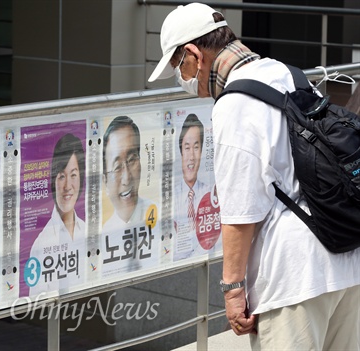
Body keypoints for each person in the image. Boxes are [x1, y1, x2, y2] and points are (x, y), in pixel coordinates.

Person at [149, 3, 360, 350]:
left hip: (294, 277)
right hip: (345, 256)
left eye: (178, 65)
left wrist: (232, 291)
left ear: (194, 54)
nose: (181, 76)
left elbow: (241, 212)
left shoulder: (234, 104)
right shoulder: (287, 73)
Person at [101, 115, 159, 275]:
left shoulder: (160, 216)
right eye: (117, 166)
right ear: (105, 181)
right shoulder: (102, 236)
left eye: (132, 159)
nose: (127, 178)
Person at [29, 133, 86, 295]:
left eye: (73, 175)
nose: (68, 186)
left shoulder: (88, 230)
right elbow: (37, 306)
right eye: (61, 176)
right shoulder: (41, 244)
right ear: (53, 180)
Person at [174, 113, 211, 259]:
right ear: (181, 152)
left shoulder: (210, 193)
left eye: (196, 147)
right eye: (187, 148)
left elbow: (212, 242)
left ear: (201, 151)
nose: (191, 156)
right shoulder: (172, 198)